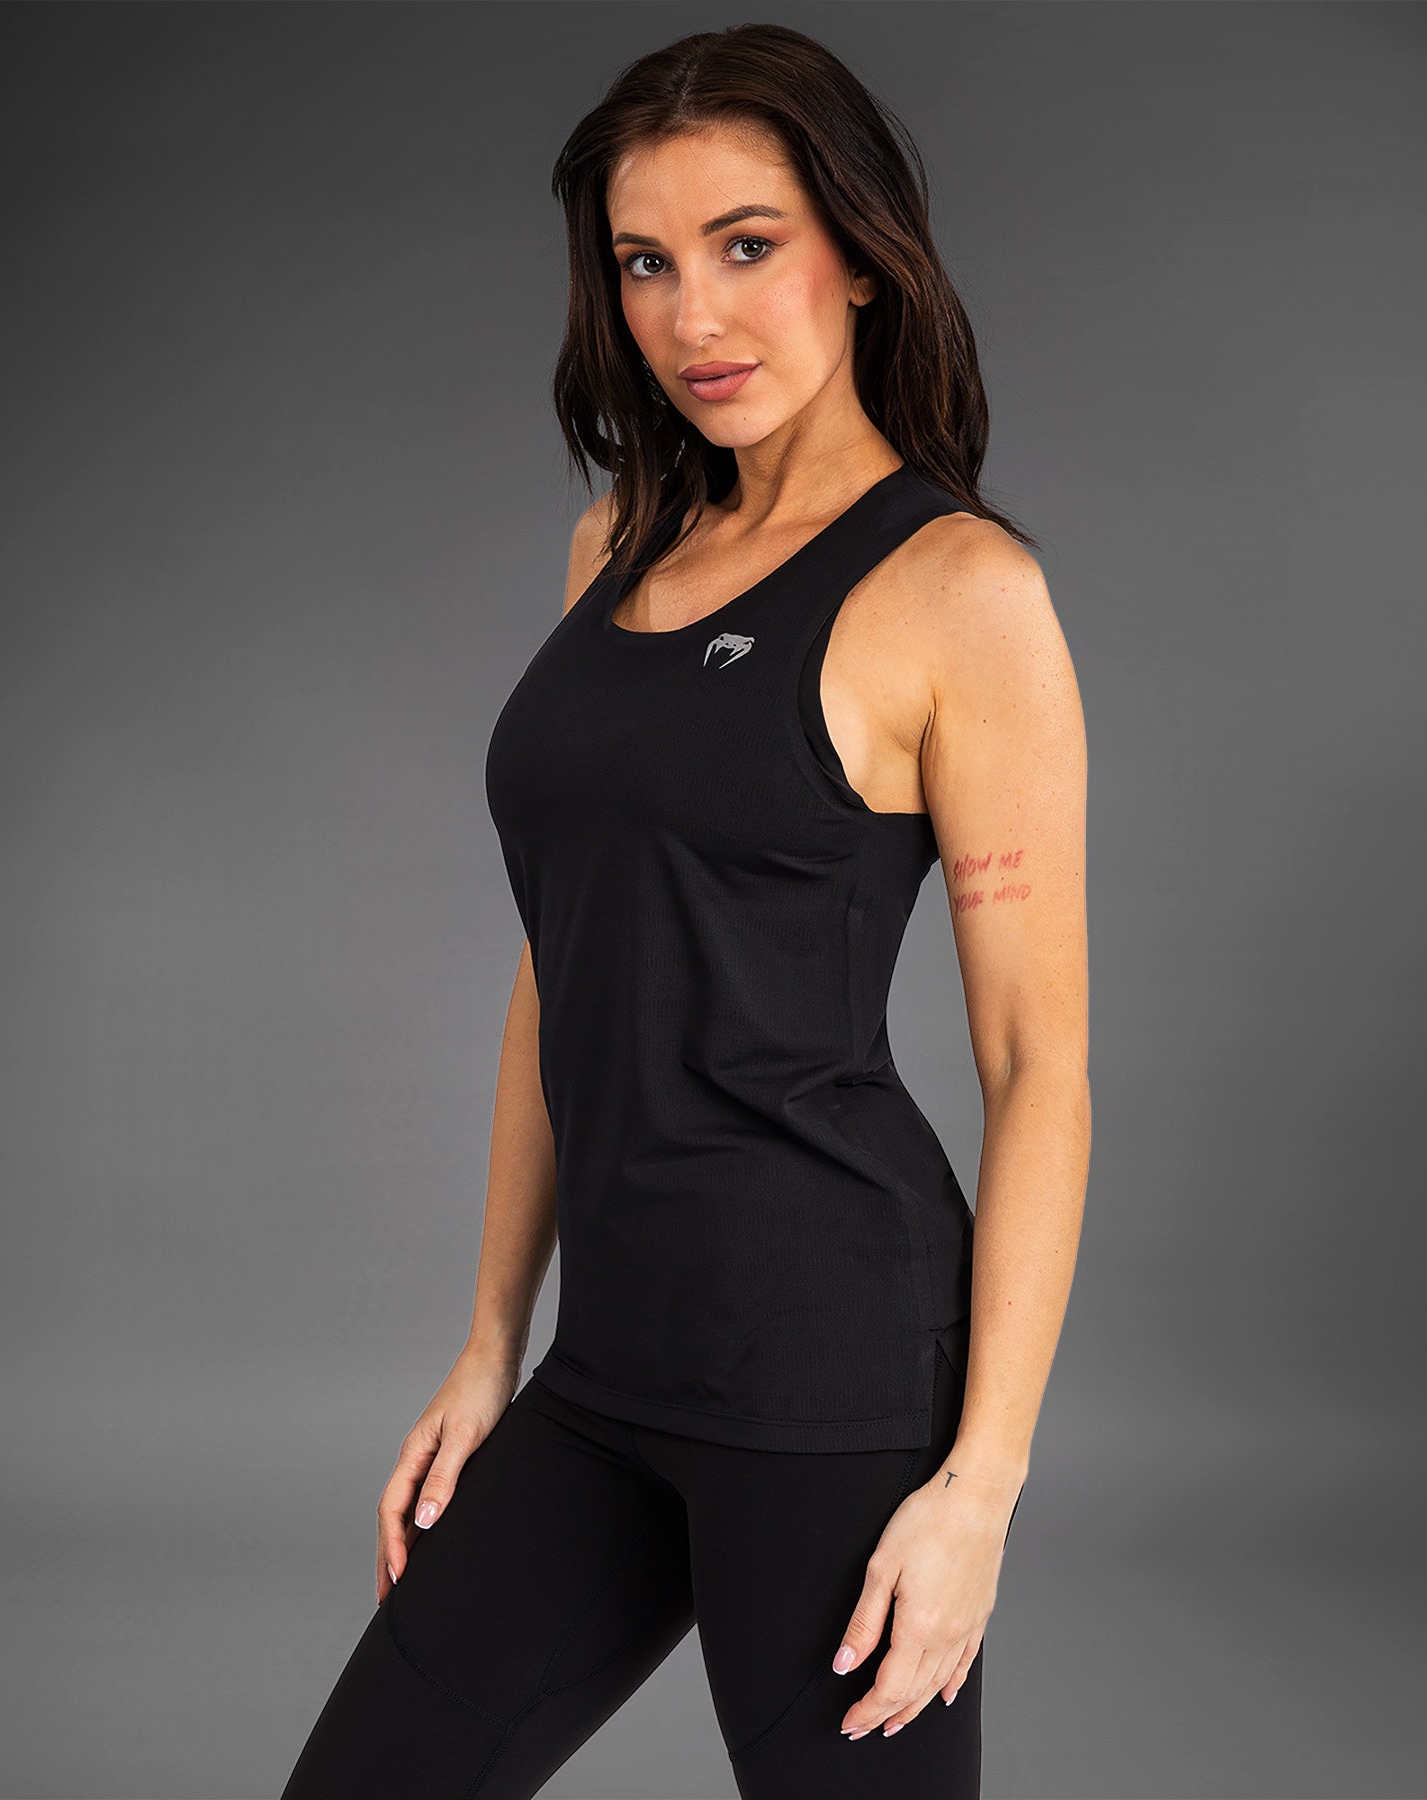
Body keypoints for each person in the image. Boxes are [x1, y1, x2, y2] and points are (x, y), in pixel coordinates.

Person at [279, 22, 1089, 1800]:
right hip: (609, 1368)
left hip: (830, 1373)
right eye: (646, 264)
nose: (691, 317)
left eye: (747, 245)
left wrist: (980, 1486)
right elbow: (562, 969)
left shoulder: (959, 590)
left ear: (862, 253)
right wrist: (489, 1344)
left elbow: (1038, 1063)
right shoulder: (614, 546)